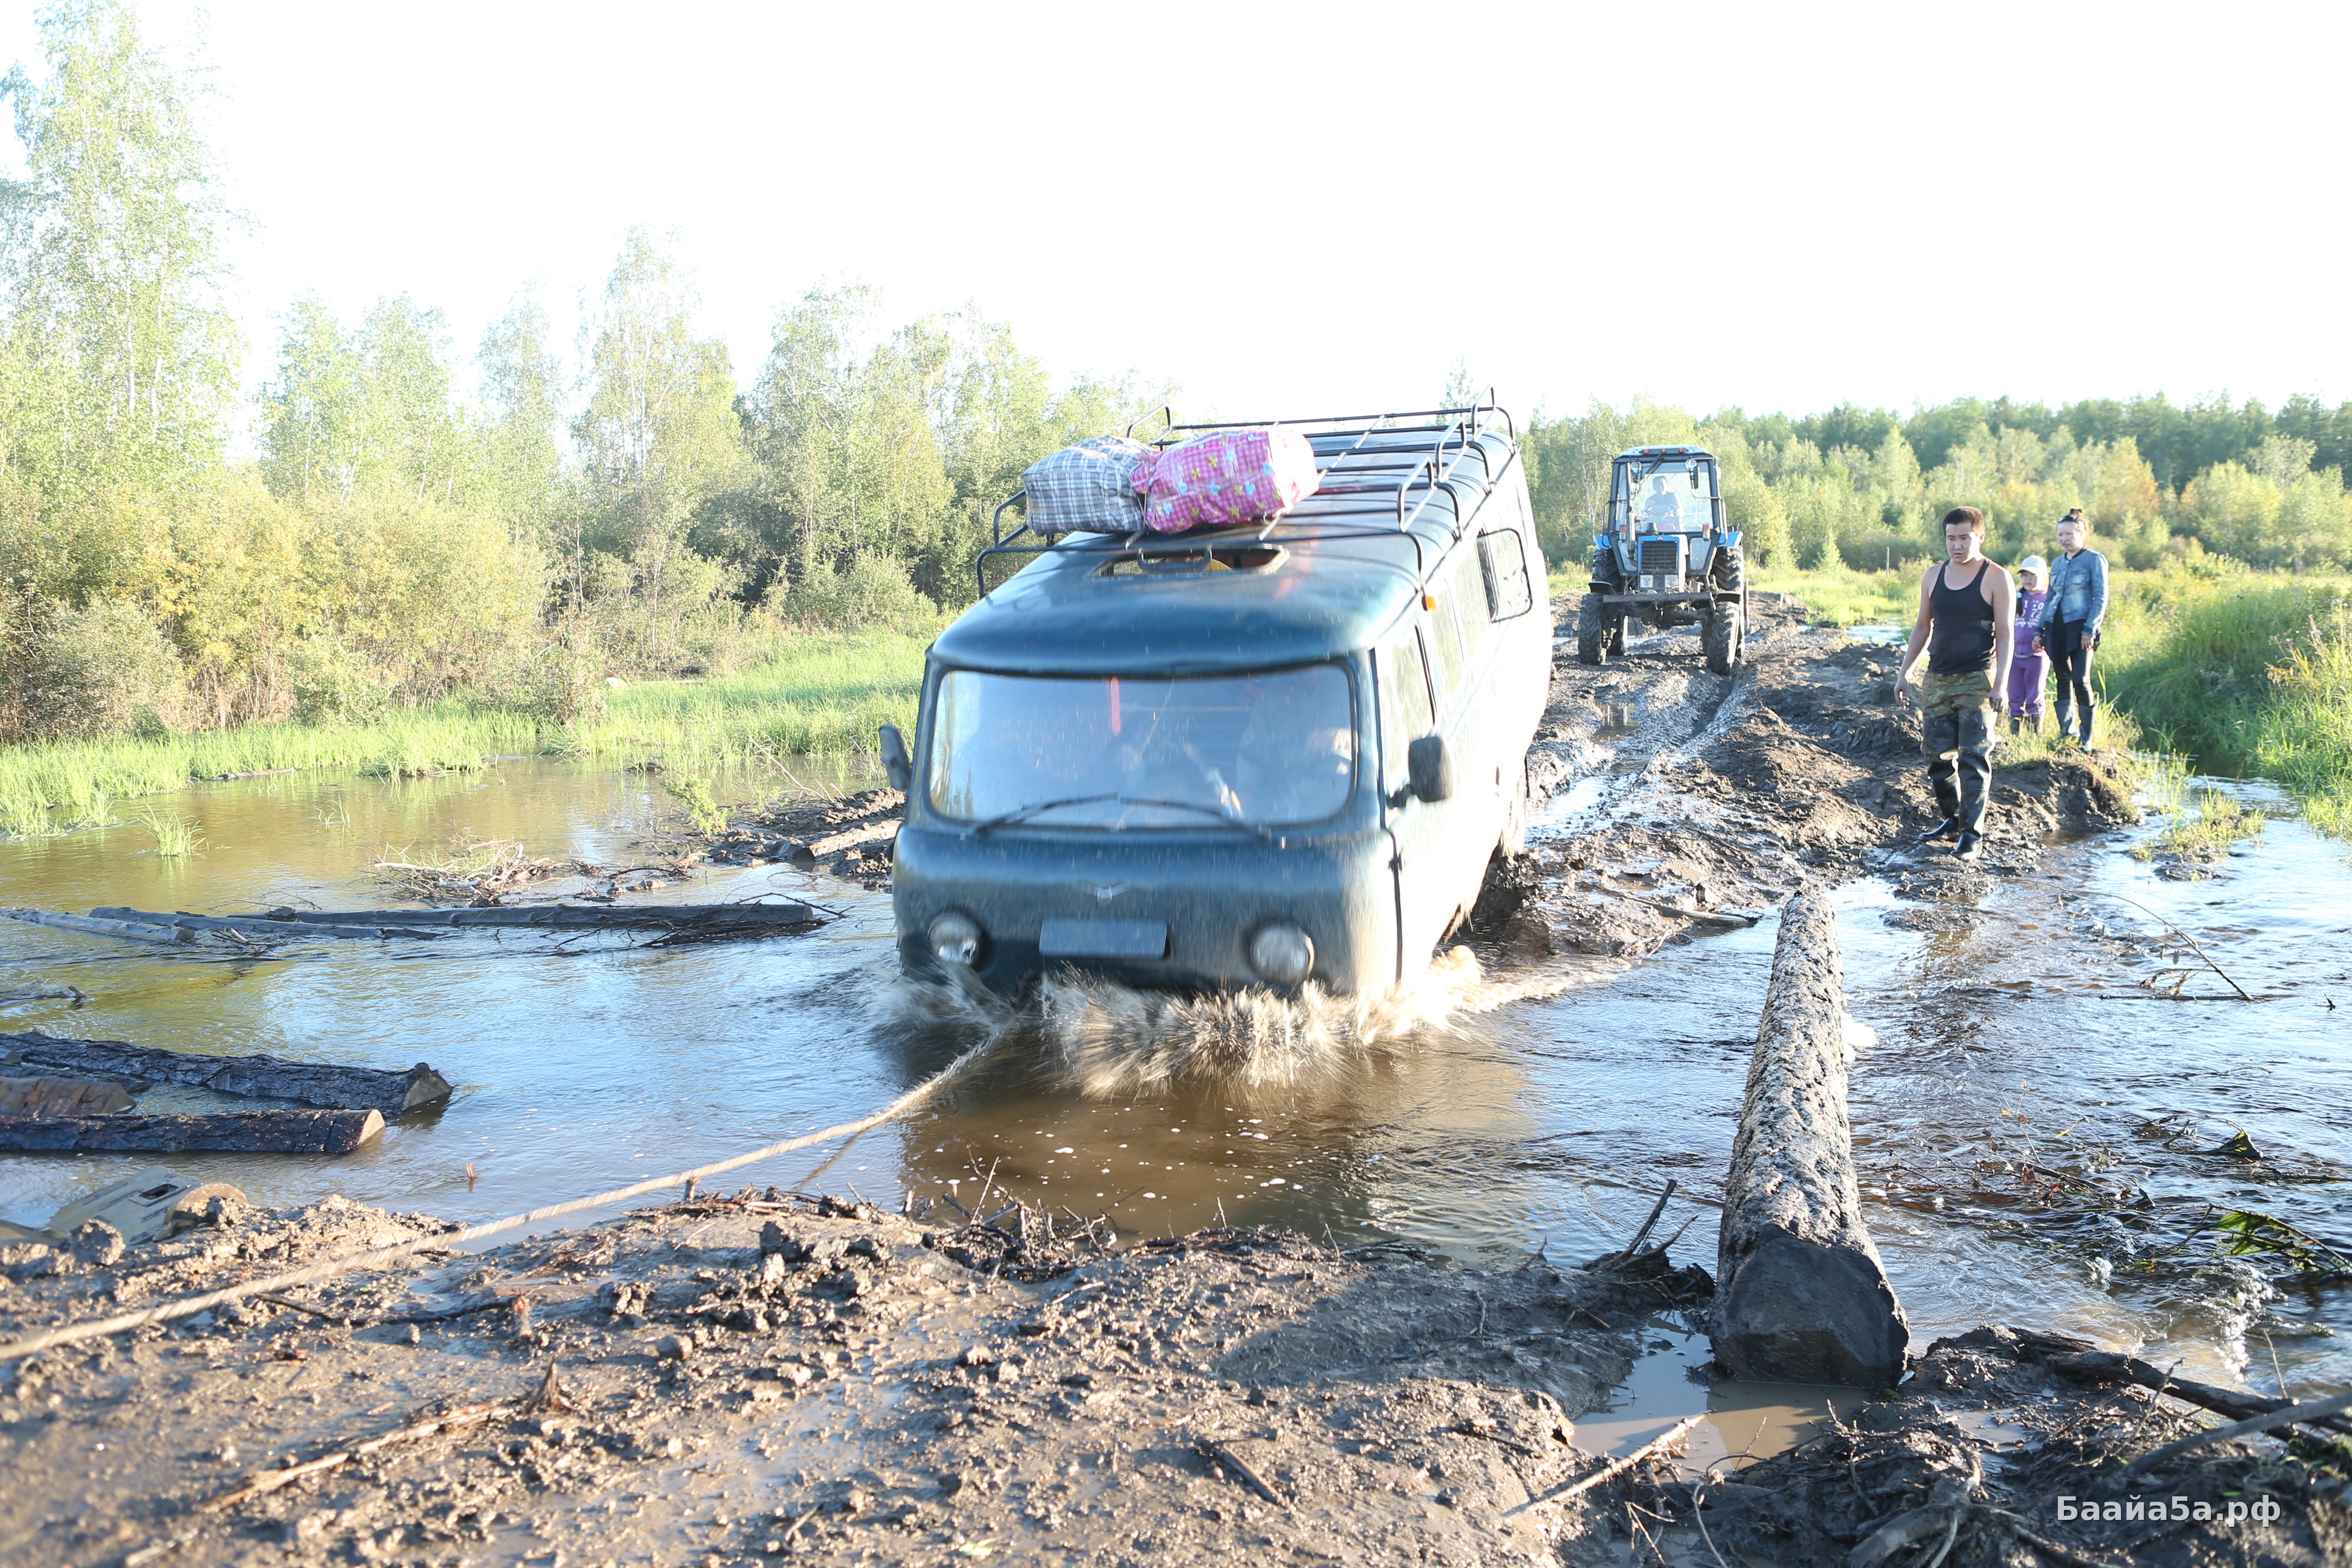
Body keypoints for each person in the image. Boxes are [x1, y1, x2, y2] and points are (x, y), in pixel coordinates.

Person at [1894, 506, 2015, 860]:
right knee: (1936, 756)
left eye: (1964, 538)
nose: (1957, 546)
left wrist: (2001, 684)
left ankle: (1972, 836)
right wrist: (1904, 673)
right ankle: (1952, 820)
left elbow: (2006, 635)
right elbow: (1923, 627)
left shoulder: (1997, 578)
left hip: (1978, 678)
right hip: (1938, 678)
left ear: (1980, 537)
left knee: (1974, 758)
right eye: (1951, 538)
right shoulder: (1933, 575)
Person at [2039, 509, 2109, 749]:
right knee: (2062, 678)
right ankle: (2066, 731)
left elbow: (2101, 597)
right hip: (2056, 626)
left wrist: (2090, 629)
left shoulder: (2094, 560)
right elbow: (2050, 598)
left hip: (2081, 627)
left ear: (2081, 534)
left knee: (2081, 679)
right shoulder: (2058, 563)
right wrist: (2040, 630)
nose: (2064, 539)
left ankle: (2086, 737)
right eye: (2060, 534)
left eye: (2069, 534)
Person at [2007, 554, 2050, 735]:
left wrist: (2044, 639)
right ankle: (2014, 734)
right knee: (2015, 697)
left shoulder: (2048, 599)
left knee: (2035, 696)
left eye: (2033, 576)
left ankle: (2034, 736)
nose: (2028, 580)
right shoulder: (2016, 597)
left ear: (2044, 576)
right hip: (2015, 655)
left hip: (2037, 657)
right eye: (2024, 576)